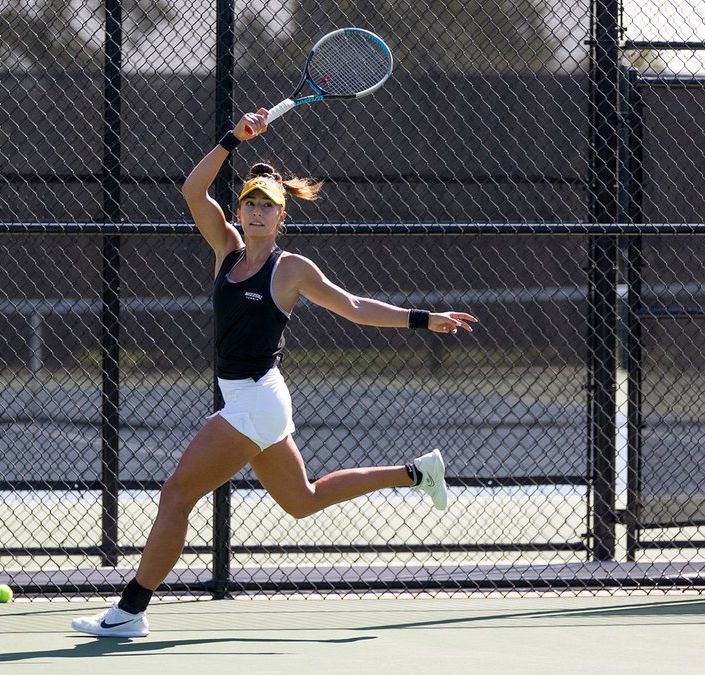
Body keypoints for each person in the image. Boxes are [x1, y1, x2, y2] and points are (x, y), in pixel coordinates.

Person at [72, 108, 478, 637]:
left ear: (282, 216)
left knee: (176, 495)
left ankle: (129, 612)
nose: (258, 212)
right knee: (302, 500)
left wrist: (425, 319)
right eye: (251, 203)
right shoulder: (226, 250)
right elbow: (193, 191)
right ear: (239, 210)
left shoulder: (290, 269)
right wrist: (231, 139)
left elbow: (355, 307)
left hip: (257, 401)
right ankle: (417, 473)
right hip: (251, 400)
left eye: (268, 206)